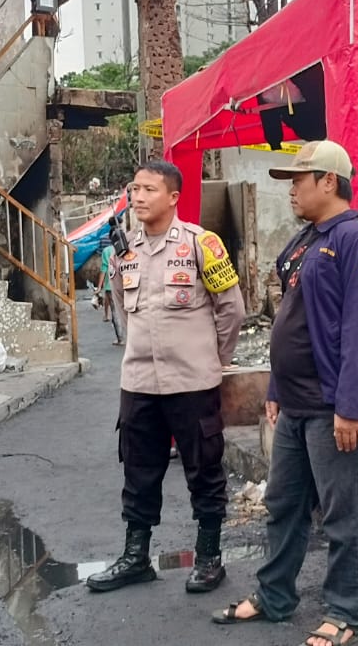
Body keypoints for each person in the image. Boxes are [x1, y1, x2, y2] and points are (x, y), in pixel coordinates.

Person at [211, 140, 358, 646]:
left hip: (335, 406)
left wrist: (350, 409)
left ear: (329, 182)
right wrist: (277, 385)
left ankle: (347, 610)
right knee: (284, 504)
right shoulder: (306, 241)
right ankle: (275, 595)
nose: (291, 190)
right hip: (296, 402)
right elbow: (293, 318)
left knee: (345, 512)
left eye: (298, 180)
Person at [86, 160, 245, 595]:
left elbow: (232, 311)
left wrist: (213, 360)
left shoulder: (201, 244)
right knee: (138, 471)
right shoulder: (124, 252)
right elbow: (123, 308)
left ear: (173, 197)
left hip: (192, 384)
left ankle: (209, 558)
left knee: (204, 470)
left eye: (149, 190)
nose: (138, 197)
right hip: (139, 384)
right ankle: (135, 557)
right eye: (134, 189)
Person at [99, 241, 124, 345]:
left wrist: (99, 286)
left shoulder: (107, 251)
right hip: (127, 284)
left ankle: (120, 339)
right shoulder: (126, 247)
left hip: (111, 285)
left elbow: (104, 269)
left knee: (115, 311)